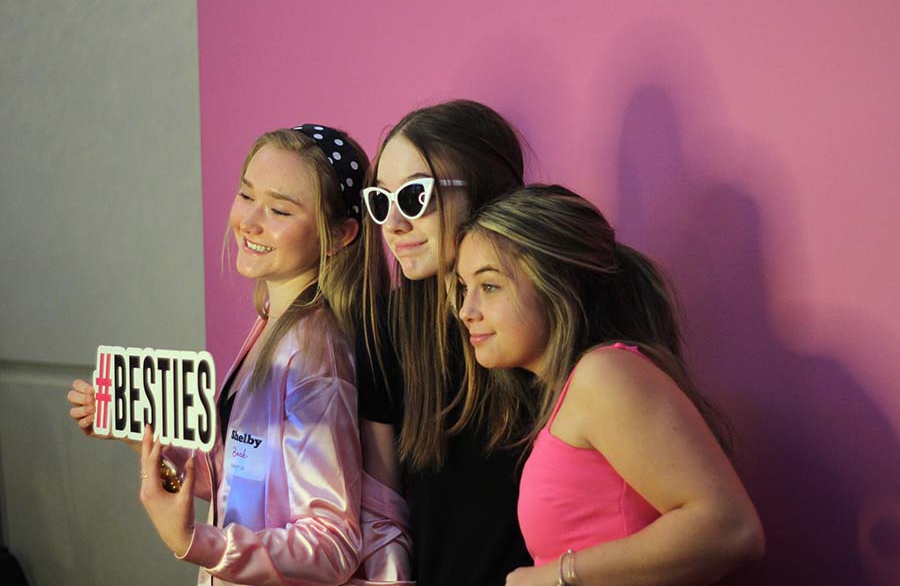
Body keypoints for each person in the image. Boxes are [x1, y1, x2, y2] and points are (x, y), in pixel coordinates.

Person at [67, 125, 412, 586]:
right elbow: (249, 479)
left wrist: (193, 540)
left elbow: (332, 545)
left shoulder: (314, 357)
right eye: (247, 195)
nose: (249, 221)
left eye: (279, 210)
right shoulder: (278, 324)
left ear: (339, 235)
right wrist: (142, 434)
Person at [454, 185, 765, 586]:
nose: (466, 311)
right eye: (464, 288)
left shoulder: (605, 376)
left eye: (490, 286)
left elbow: (731, 529)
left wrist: (551, 577)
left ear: (556, 285)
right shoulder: (574, 391)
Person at [356, 100, 533, 585]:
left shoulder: (545, 319)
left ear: (483, 189)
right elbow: (382, 510)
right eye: (380, 201)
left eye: (414, 197)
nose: (393, 224)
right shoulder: (385, 328)